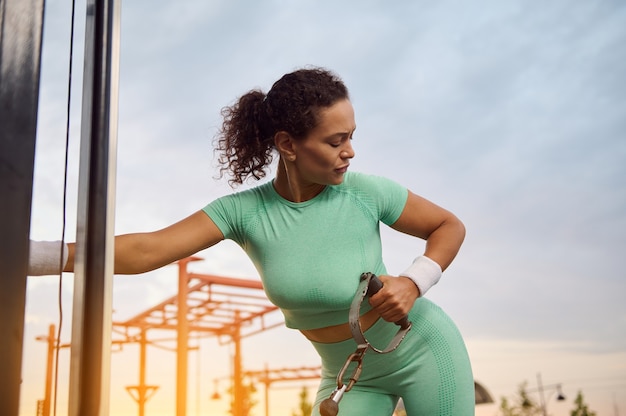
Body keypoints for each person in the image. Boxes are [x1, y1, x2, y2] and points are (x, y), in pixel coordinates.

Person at [29, 67, 475, 415]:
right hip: (349, 374)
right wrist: (34, 256)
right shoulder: (243, 213)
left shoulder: (367, 192)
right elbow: (148, 249)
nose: (350, 151)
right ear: (289, 144)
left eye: (352, 137)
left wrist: (414, 282)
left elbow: (448, 226)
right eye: (336, 140)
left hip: (422, 350)